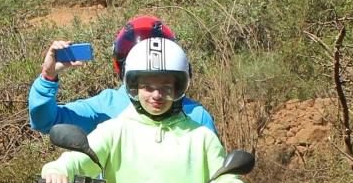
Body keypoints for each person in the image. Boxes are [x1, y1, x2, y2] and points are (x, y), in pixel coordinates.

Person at [40, 36, 249, 183]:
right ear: (133, 87)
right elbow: (81, 158)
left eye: (166, 87)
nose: (157, 95)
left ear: (178, 88)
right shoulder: (115, 130)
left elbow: (223, 177)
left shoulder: (201, 137)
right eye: (148, 87)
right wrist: (58, 171)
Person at [28, 14, 215, 135]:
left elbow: (216, 172)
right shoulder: (107, 105)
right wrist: (47, 77)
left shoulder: (196, 115)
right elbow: (46, 122)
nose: (156, 94)